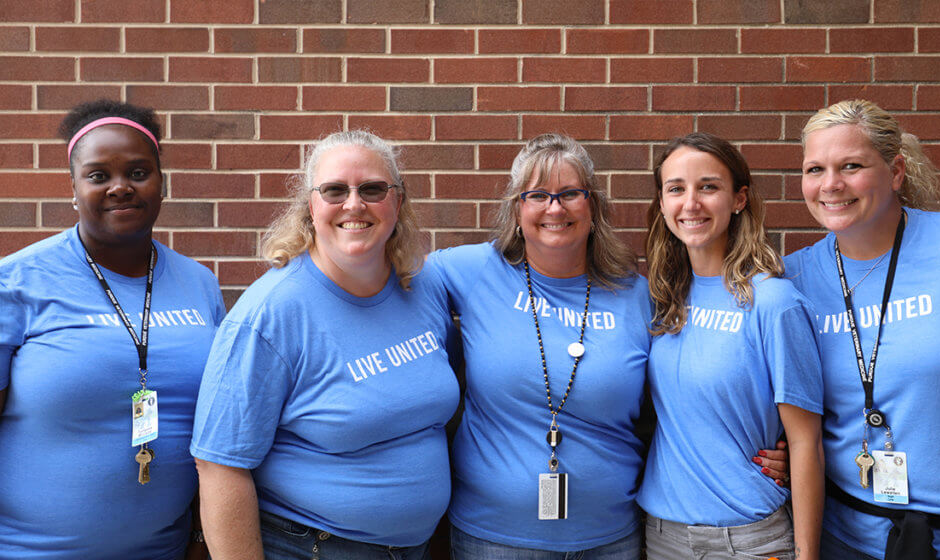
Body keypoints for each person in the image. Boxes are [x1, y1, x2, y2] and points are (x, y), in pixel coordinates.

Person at [431, 134, 791, 559]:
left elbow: (699, 375)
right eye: (538, 195)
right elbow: (384, 283)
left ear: (594, 206)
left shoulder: (639, 297)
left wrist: (772, 445)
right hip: (492, 539)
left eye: (570, 194)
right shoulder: (468, 272)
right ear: (517, 208)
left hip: (609, 541)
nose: (554, 208)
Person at [190, 130, 460, 560]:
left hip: (414, 548)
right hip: (312, 547)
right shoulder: (271, 313)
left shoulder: (421, 288)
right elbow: (220, 465)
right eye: (335, 190)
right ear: (311, 206)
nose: (354, 204)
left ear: (398, 202)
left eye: (372, 189)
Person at [785, 99, 940, 560]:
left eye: (851, 165)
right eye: (815, 169)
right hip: (850, 539)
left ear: (895, 172)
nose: (830, 185)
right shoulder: (793, 281)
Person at [0, 100, 225, 558]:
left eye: (139, 172)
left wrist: (202, 537)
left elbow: (220, 428)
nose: (120, 187)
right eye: (99, 175)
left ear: (163, 184)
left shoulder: (200, 284)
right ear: (74, 188)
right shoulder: (17, 282)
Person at [638, 133, 825, 560]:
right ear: (663, 202)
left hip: (748, 540)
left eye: (708, 187)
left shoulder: (774, 302)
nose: (691, 203)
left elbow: (805, 443)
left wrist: (808, 555)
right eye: (676, 189)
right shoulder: (664, 299)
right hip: (664, 536)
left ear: (739, 199)